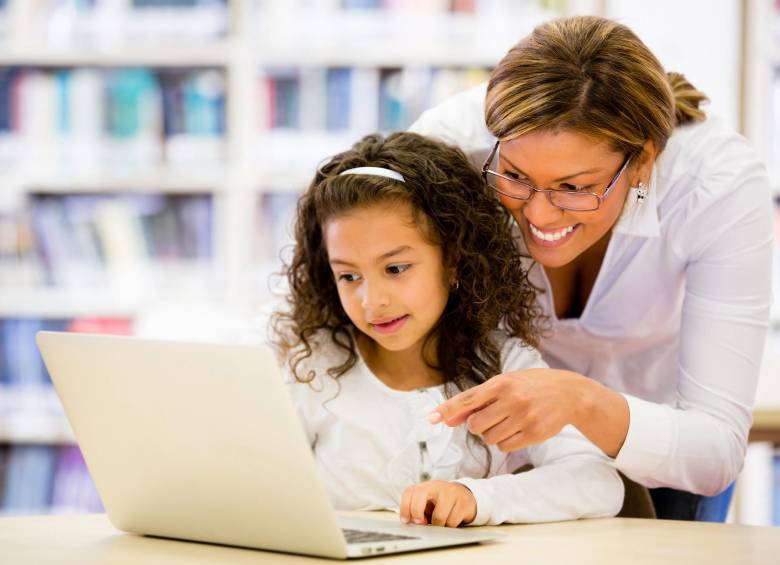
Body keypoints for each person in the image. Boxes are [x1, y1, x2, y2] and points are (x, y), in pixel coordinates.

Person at [409, 15, 774, 520]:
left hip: (664, 453)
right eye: (515, 176)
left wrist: (581, 401)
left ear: (643, 161)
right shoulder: (454, 149)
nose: (538, 214)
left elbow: (714, 452)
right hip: (505, 463)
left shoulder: (715, 185)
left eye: (576, 187)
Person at [270, 131, 624, 527]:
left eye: (396, 269)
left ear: (453, 259)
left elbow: (597, 482)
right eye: (349, 276)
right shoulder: (310, 366)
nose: (372, 300)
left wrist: (476, 498)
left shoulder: (504, 366)